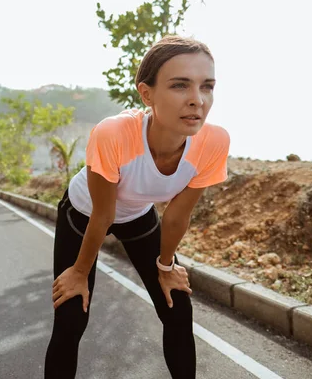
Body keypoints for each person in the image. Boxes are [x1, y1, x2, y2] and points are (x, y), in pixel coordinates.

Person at [44, 35, 230, 379]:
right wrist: (80, 272)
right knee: (71, 315)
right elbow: (103, 214)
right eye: (179, 86)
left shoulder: (213, 141)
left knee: (177, 307)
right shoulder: (113, 133)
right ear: (147, 94)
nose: (197, 100)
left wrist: (166, 265)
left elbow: (176, 216)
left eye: (207, 86)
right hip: (84, 213)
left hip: (138, 215)